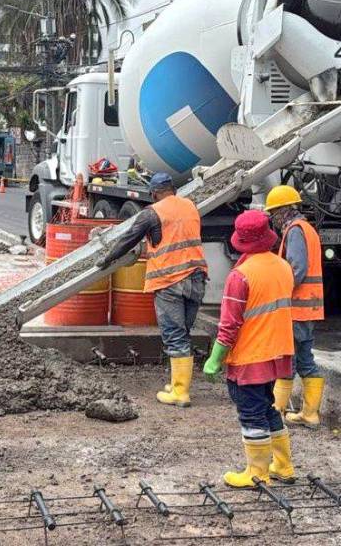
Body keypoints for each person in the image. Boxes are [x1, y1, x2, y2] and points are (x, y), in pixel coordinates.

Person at [97, 172, 207, 407]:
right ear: (173, 190)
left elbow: (128, 239)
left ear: (154, 193)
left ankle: (180, 393)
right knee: (184, 333)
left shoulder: (152, 213)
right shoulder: (190, 206)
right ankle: (177, 384)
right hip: (197, 278)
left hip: (170, 280)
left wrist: (107, 259)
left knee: (174, 335)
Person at [203, 210, 296, 487]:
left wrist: (214, 359)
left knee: (252, 414)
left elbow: (229, 325)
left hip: (251, 357)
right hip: (277, 353)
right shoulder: (283, 266)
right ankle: (284, 466)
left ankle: (257, 474)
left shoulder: (241, 276)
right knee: (267, 408)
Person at [265, 186, 325, 428]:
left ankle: (276, 412)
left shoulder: (295, 231)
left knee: (287, 359)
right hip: (306, 308)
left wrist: (279, 290)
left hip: (297, 308)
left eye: (274, 213)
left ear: (284, 210)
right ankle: (309, 414)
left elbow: (296, 269)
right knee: (304, 359)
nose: (273, 218)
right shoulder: (304, 228)